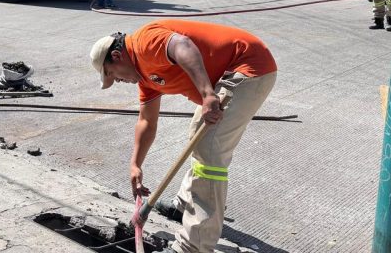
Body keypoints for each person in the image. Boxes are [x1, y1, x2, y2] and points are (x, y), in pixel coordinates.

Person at [89, 19, 278, 253]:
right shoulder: (145, 78)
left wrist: (207, 94)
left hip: (250, 67)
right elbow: (147, 121)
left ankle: (192, 247)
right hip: (231, 72)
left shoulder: (144, 43)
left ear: (117, 56)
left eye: (111, 74)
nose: (117, 80)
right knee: (197, 133)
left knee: (209, 149)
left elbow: (182, 45)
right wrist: (135, 164)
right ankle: (186, 206)